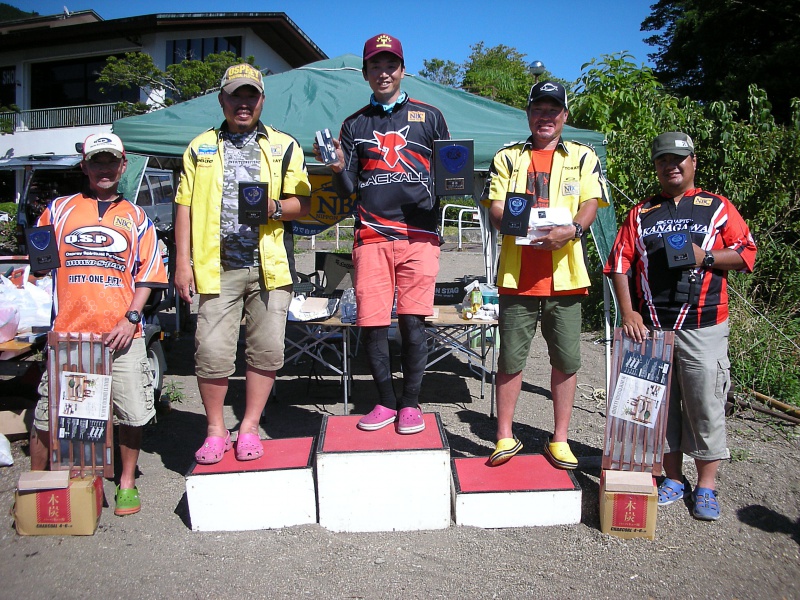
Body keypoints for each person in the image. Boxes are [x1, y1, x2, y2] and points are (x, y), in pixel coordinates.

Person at [604, 132, 756, 520]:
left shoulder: (716, 207)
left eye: (678, 159)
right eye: (663, 160)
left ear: (693, 162)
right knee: (658, 408)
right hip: (652, 328)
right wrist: (628, 311)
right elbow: (619, 263)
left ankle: (706, 485)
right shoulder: (641, 213)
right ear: (655, 166)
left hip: (703, 325)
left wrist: (706, 257)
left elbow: (746, 253)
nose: (671, 165)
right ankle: (673, 478)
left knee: (705, 403)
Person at [174, 63, 311, 464]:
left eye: (251, 95)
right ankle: (216, 428)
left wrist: (273, 207)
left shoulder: (284, 145)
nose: (244, 103)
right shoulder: (199, 147)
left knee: (266, 351)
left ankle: (249, 426)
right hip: (217, 268)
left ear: (262, 100)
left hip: (270, 267)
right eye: (236, 95)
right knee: (211, 352)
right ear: (222, 100)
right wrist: (183, 264)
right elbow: (183, 207)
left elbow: (301, 203)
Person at [314, 33, 450, 434]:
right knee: (371, 324)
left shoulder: (431, 116)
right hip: (370, 236)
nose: (384, 72)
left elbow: (450, 175)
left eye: (391, 65)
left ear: (403, 70)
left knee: (412, 323)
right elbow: (349, 190)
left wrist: (446, 192)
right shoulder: (354, 124)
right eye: (376, 65)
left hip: (420, 236)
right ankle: (385, 403)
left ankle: (411, 403)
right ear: (365, 73)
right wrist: (338, 168)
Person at [29, 132, 168, 516]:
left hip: (122, 333)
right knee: (50, 414)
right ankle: (36, 489)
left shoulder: (138, 218)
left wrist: (131, 318)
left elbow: (148, 275)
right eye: (96, 161)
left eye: (111, 161)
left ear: (122, 166)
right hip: (69, 334)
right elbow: (39, 266)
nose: (104, 169)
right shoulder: (58, 209)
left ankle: (126, 482)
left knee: (132, 413)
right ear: (84, 166)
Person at [483, 82, 609, 468]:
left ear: (565, 116)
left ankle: (560, 439)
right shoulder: (507, 157)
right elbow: (496, 207)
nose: (546, 117)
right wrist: (525, 230)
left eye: (554, 110)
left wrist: (572, 230)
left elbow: (591, 203)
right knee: (510, 359)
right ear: (528, 114)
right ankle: (504, 436)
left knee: (567, 360)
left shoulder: (584, 156)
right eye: (539, 109)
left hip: (566, 277)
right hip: (517, 277)